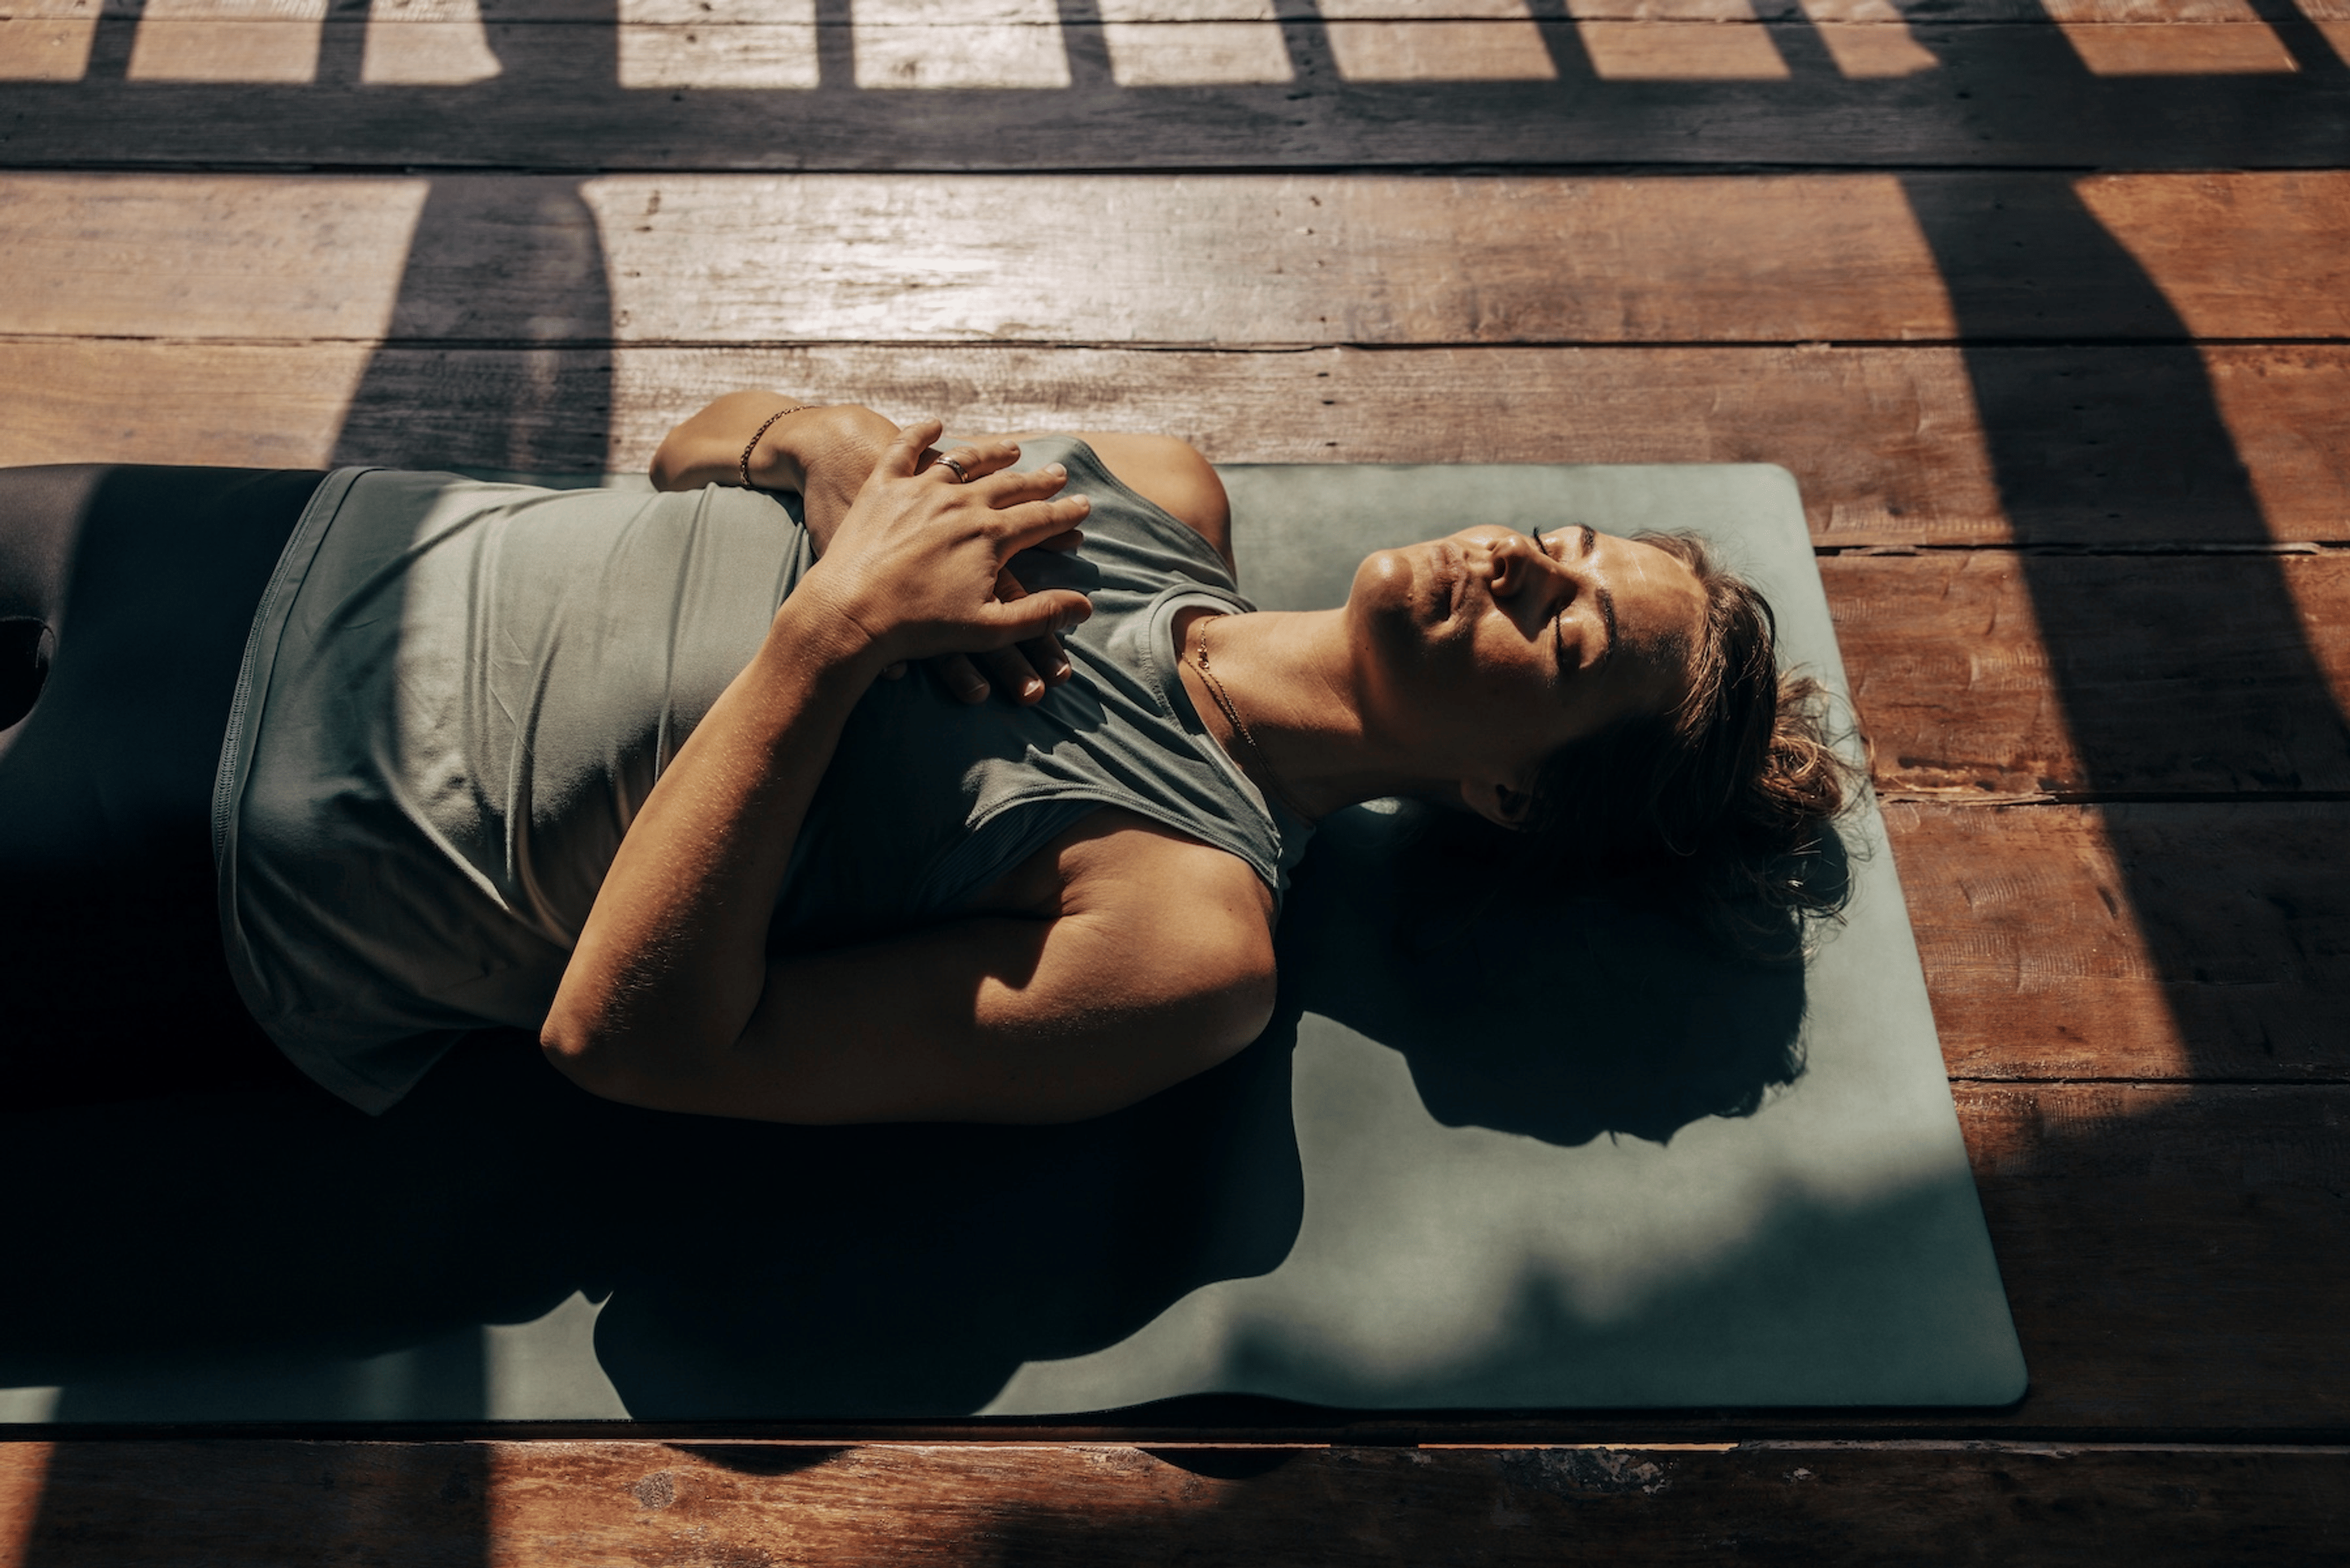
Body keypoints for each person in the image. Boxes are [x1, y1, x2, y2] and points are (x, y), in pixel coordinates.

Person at [0, 398, 1852, 1122]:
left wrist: (837, 635)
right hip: (301, 541)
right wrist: (821, 454)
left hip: (254, 836)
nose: (1525, 560)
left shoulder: (1181, 933)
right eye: (1571, 541)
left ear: (1512, 792)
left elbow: (632, 1045)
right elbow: (685, 450)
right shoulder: (1155, 491)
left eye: (1569, 635)